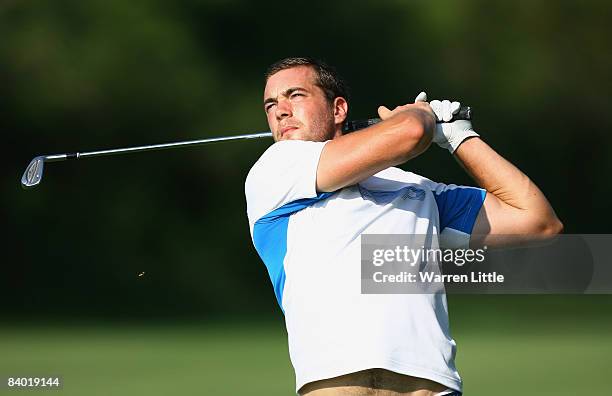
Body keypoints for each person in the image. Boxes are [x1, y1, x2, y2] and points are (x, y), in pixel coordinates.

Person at [244, 57, 562, 396]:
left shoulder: (416, 189)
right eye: (271, 104)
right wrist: (421, 114)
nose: (280, 110)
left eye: (295, 95)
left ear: (338, 109)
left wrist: (458, 136)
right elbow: (410, 133)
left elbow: (537, 219)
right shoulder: (275, 170)